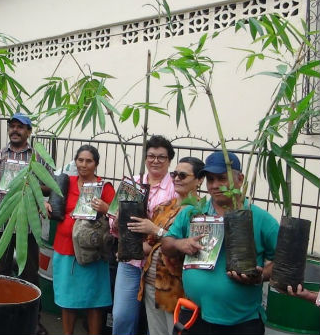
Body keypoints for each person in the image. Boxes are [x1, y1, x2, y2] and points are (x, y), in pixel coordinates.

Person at [162, 151, 279, 334]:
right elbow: (166, 244)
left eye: (221, 178)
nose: (215, 186)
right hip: (193, 315)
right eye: (210, 179)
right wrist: (180, 244)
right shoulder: (193, 212)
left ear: (240, 179)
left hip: (241, 322)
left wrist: (262, 274)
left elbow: (282, 262)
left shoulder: (261, 219)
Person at [0, 112, 49, 335]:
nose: (15, 130)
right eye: (12, 126)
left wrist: (30, 182)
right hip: (1, 225)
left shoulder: (37, 158)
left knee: (29, 275)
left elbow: (49, 185)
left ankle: (31, 322)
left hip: (27, 226)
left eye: (21, 127)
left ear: (29, 132)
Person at [127, 157, 205, 335]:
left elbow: (194, 249)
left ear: (199, 180)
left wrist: (156, 230)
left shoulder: (200, 210)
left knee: (175, 331)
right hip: (152, 281)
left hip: (177, 286)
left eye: (183, 175)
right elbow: (150, 245)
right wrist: (127, 251)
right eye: (174, 174)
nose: (176, 179)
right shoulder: (164, 207)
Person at [111, 134, 177, 335]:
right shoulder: (133, 182)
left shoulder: (175, 188)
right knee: (122, 316)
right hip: (130, 260)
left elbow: (173, 229)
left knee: (155, 323)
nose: (155, 161)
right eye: (151, 156)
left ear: (169, 160)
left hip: (158, 264)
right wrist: (117, 218)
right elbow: (113, 224)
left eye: (161, 157)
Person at [48, 145, 115, 335]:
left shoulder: (105, 187)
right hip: (65, 249)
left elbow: (118, 215)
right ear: (75, 161)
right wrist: (47, 204)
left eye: (89, 161)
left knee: (94, 301)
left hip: (92, 252)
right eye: (80, 160)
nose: (83, 165)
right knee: (67, 300)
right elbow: (53, 203)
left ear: (96, 164)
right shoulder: (66, 182)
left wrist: (105, 208)